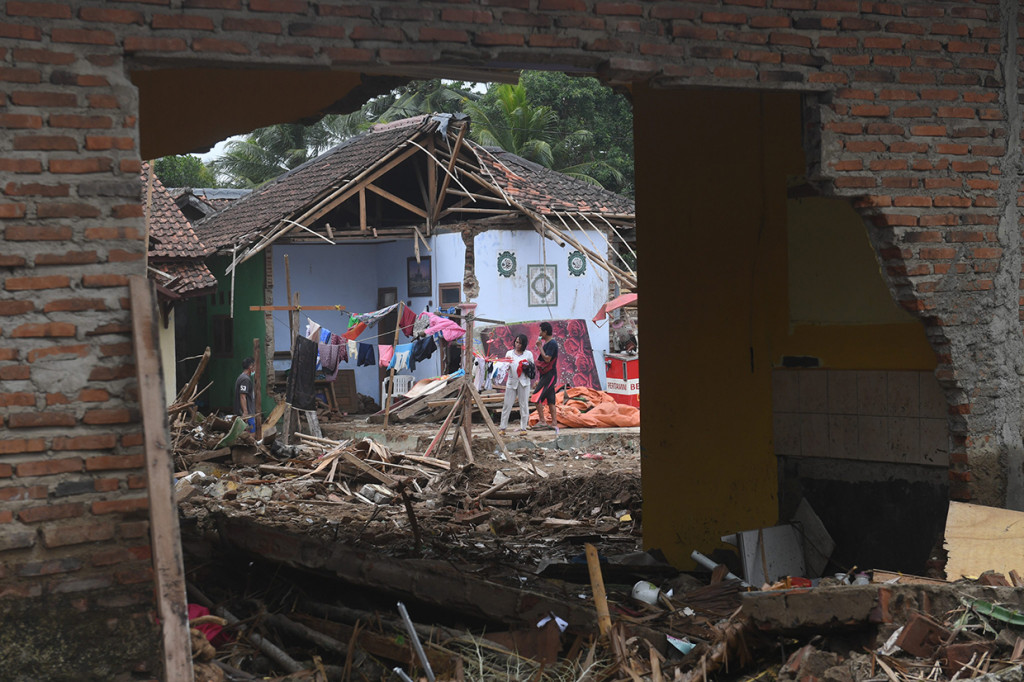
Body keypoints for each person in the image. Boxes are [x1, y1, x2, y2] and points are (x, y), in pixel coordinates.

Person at [499, 334, 534, 433]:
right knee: (507, 405)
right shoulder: (509, 353)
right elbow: (505, 366)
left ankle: (523, 427)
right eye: (516, 342)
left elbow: (532, 367)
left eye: (520, 343)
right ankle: (503, 427)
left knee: (524, 405)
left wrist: (526, 366)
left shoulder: (528, 354)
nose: (518, 345)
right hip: (511, 382)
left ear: (524, 344)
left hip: (524, 382)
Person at [534, 322, 560, 433]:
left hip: (549, 375)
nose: (539, 333)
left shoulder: (552, 344)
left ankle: (542, 421)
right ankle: (554, 422)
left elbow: (547, 359)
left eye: (540, 331)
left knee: (536, 397)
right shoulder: (548, 343)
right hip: (547, 375)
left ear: (545, 332)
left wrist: (539, 347)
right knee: (550, 399)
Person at [233, 357, 256, 432]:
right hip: (248, 414)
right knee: (251, 434)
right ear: (250, 367)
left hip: (247, 413)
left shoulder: (241, 377)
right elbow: (242, 396)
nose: (255, 368)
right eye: (254, 366)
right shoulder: (245, 379)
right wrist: (245, 412)